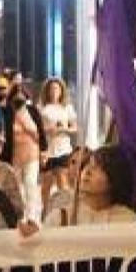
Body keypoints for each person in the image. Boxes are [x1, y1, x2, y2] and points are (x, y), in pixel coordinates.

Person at [40, 145, 136, 228]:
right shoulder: (61, 218)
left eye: (98, 168)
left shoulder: (129, 221)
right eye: (87, 165)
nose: (87, 172)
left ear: (114, 177)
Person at [0, 84, 47, 222]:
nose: (19, 96)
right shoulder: (7, 112)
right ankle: (19, 215)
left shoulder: (32, 111)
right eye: (16, 93)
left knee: (30, 184)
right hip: (13, 154)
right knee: (16, 185)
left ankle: (32, 216)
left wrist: (44, 151)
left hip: (31, 154)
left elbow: (41, 132)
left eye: (22, 93)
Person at [39, 77, 78, 206]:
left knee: (63, 186)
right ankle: (44, 216)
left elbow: (75, 128)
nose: (54, 91)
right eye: (51, 88)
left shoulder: (67, 108)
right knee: (46, 187)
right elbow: (37, 128)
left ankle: (65, 213)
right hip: (47, 151)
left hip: (64, 149)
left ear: (61, 90)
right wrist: (48, 129)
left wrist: (64, 129)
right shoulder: (41, 107)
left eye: (57, 88)